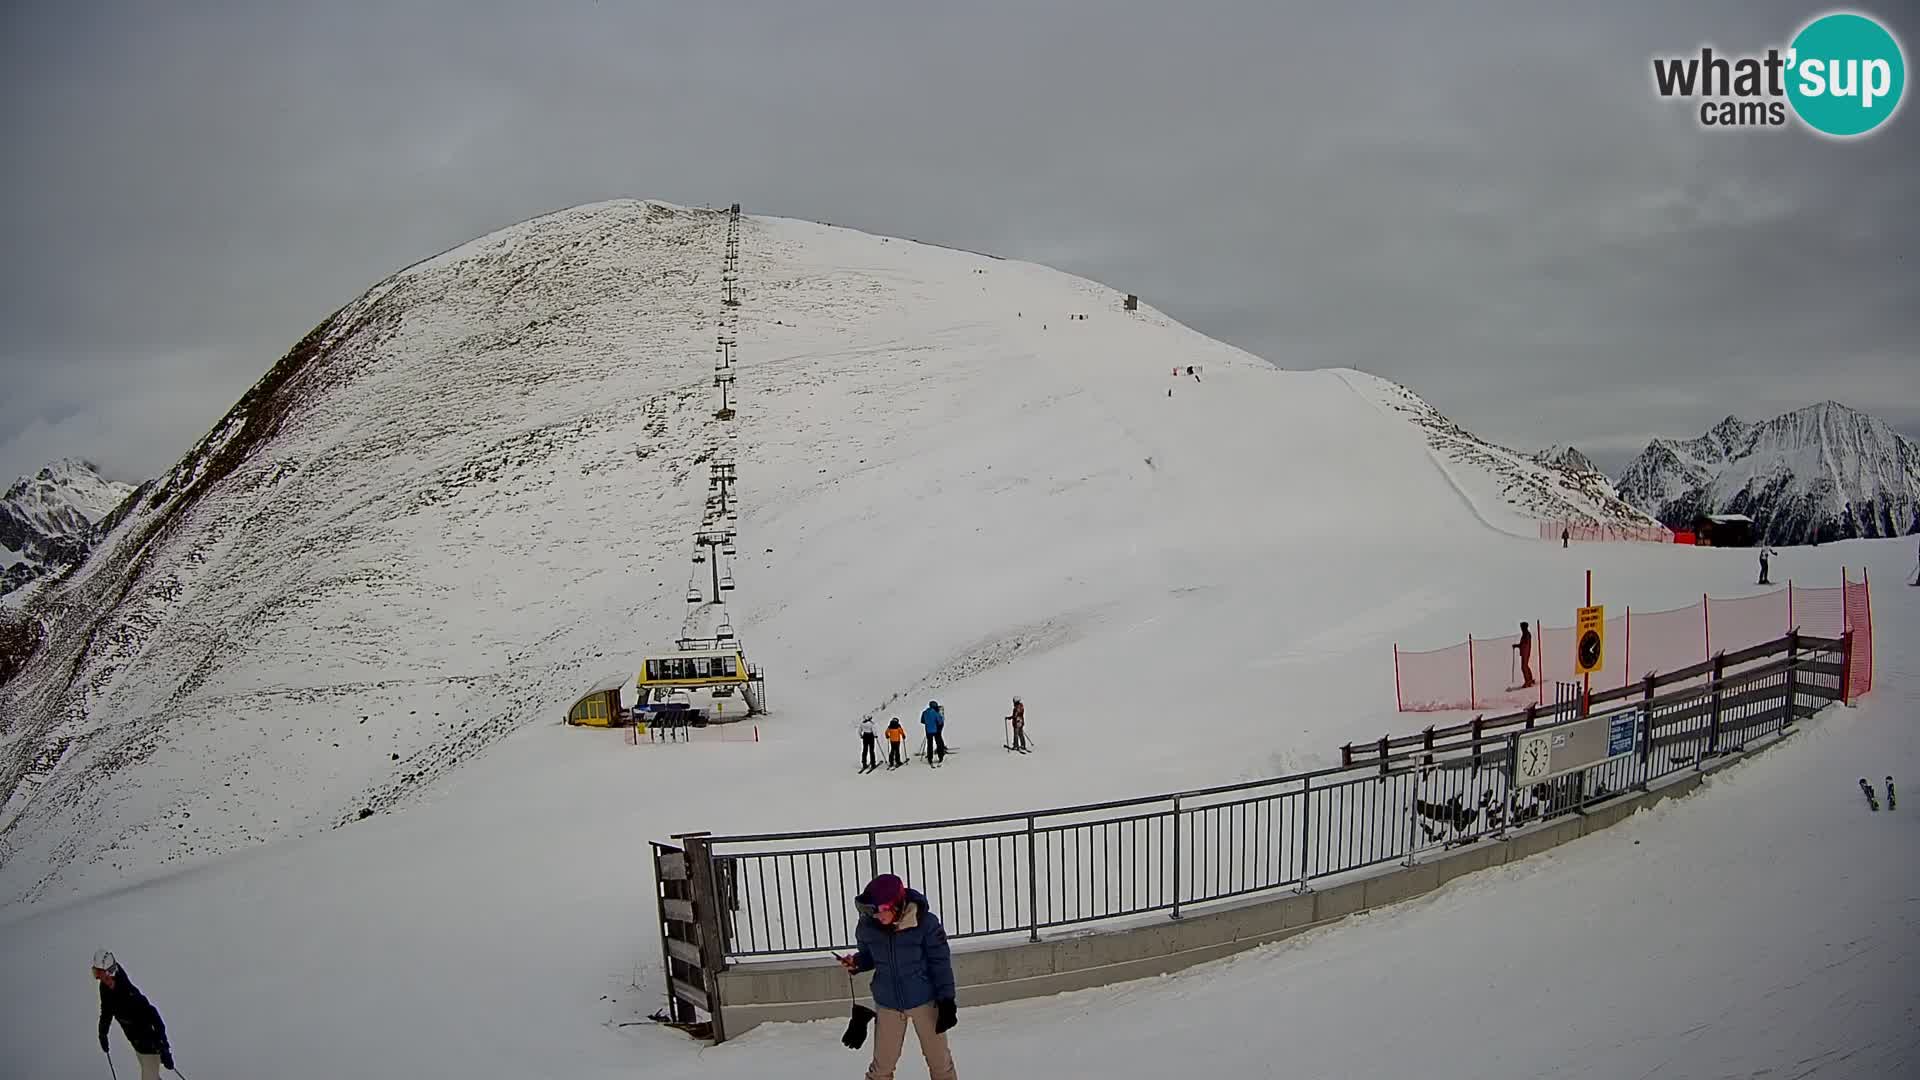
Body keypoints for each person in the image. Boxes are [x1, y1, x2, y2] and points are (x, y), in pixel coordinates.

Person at [837, 874, 959, 1080]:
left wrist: (947, 1000)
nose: (877, 916)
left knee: (940, 1063)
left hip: (924, 1000)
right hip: (888, 1003)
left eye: (881, 909)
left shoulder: (925, 924)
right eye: (872, 910)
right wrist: (856, 962)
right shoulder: (868, 927)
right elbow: (870, 957)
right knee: (881, 1068)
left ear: (897, 904)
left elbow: (940, 963)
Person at [93, 950, 173, 1080]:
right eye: (97, 975)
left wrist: (164, 1048)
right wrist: (103, 1033)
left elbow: (154, 1016)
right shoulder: (105, 988)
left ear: (111, 972)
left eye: (103, 976)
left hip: (151, 1047)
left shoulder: (130, 994)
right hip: (137, 1044)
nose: (101, 980)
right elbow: (106, 1011)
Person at [1514, 622, 1534, 688]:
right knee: (1525, 666)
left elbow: (1524, 644)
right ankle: (1530, 679)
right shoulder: (1525, 634)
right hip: (1525, 652)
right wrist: (1517, 646)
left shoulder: (1526, 634)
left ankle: (1527, 681)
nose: (1521, 628)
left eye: (1522, 627)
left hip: (1525, 652)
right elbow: (1523, 644)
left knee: (1524, 667)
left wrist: (1518, 646)